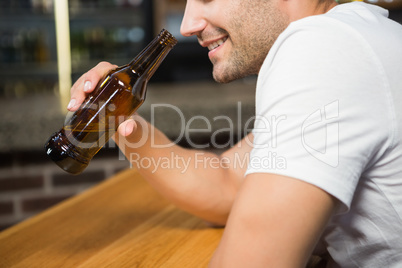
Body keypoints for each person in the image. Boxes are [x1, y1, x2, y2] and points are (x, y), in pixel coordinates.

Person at [67, 0, 402, 267]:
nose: (186, 25)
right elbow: (227, 183)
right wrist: (117, 117)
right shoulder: (356, 34)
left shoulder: (324, 48)